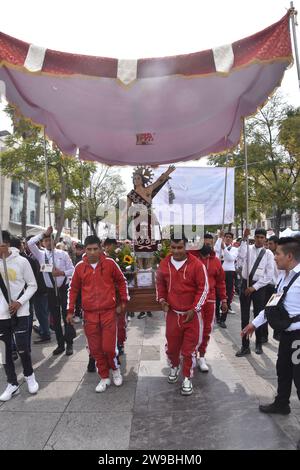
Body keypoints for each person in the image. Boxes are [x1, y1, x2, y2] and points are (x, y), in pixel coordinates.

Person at [241, 237, 300, 450]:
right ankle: (282, 403)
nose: (274, 256)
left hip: (298, 338)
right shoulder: (283, 278)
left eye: (277, 254)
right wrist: (253, 325)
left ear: (290, 256)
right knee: (282, 371)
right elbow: (272, 305)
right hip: (286, 336)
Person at [66, 235, 129, 393]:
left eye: (95, 249)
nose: (92, 252)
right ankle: (104, 377)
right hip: (89, 314)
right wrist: (70, 311)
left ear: (100, 249)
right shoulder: (80, 267)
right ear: (85, 250)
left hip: (108, 312)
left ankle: (115, 371)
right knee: (95, 349)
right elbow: (73, 289)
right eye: (89, 249)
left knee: (109, 348)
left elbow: (122, 281)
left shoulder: (109, 263)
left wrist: (123, 302)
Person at [156, 236, 208, 395]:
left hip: (191, 315)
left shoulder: (197, 265)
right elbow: (160, 285)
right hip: (172, 314)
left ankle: (187, 377)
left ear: (186, 247)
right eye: (173, 247)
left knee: (188, 350)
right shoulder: (164, 264)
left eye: (180, 247)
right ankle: (174, 366)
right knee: (172, 347)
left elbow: (203, 288)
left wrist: (194, 309)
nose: (176, 251)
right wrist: (162, 300)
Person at [0, 230, 38, 401]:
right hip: (1, 315)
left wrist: (19, 302)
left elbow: (32, 285)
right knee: (4, 351)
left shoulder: (22, 261)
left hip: (21, 312)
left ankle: (29, 376)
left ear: (7, 244)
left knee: (22, 347)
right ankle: (12, 383)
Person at [28, 226, 75, 356]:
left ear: (54, 241)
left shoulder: (63, 254)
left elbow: (72, 270)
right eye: (46, 240)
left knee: (67, 316)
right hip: (50, 290)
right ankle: (60, 344)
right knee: (55, 317)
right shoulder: (41, 254)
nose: (48, 242)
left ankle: (69, 343)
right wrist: (44, 234)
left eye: (50, 240)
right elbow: (30, 243)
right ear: (43, 242)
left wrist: (62, 273)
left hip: (63, 289)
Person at [236, 228, 275, 356]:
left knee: (259, 315)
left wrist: (254, 287)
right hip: (245, 284)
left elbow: (268, 276)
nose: (259, 239)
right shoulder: (247, 248)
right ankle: (245, 346)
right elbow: (240, 257)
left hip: (259, 287)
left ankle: (258, 344)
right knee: (244, 316)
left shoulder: (268, 254)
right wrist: (244, 238)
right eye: (257, 237)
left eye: (261, 237)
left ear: (265, 239)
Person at [127, 165, 175, 269]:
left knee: (150, 247)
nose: (136, 180)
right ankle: (140, 272)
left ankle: (149, 271)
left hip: (149, 220)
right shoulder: (131, 195)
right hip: (137, 222)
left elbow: (159, 180)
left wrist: (168, 172)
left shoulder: (149, 189)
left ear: (142, 179)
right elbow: (127, 210)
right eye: (134, 179)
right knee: (139, 247)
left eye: (138, 178)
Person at [193, 234, 227, 372]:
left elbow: (220, 282)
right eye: (204, 244)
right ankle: (191, 354)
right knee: (194, 329)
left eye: (210, 244)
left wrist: (224, 299)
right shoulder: (192, 259)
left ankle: (202, 356)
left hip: (210, 300)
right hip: (194, 300)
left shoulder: (217, 261)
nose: (207, 246)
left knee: (207, 329)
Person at [214, 230, 239, 315]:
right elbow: (215, 249)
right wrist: (219, 238)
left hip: (229, 272)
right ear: (224, 238)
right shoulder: (220, 246)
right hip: (219, 271)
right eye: (226, 237)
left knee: (228, 292)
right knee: (218, 292)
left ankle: (225, 311)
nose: (228, 238)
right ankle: (217, 313)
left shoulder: (235, 249)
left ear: (232, 239)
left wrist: (224, 248)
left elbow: (230, 258)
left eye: (230, 237)